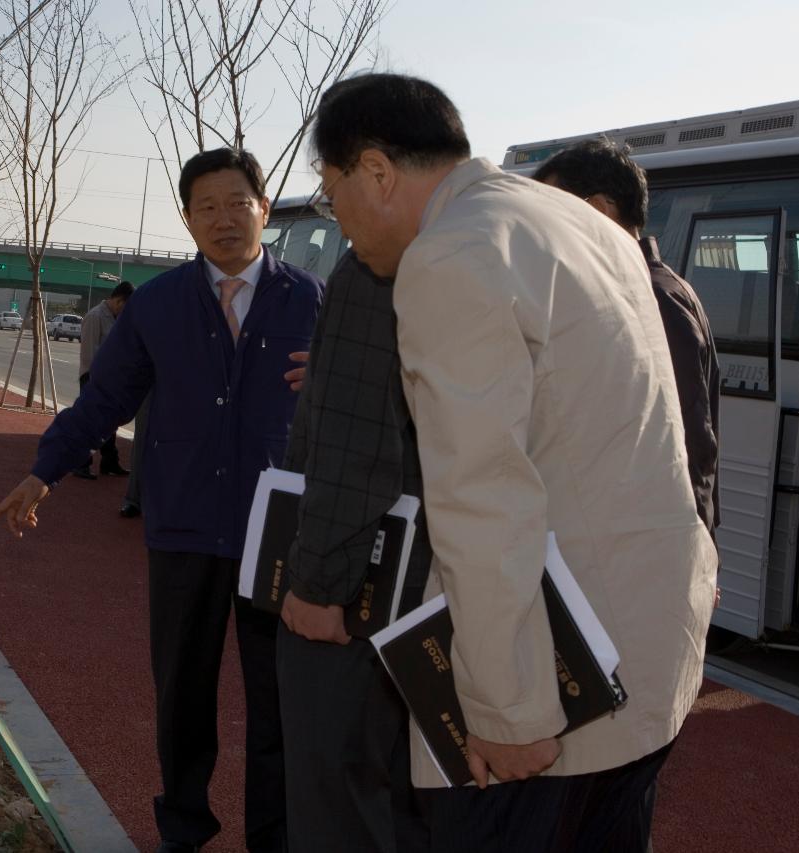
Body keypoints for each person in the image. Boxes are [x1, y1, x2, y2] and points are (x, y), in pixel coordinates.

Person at [310, 73, 718, 853]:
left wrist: (507, 714)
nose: (342, 224)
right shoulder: (575, 222)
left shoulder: (450, 255)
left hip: (556, 697)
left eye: (333, 196)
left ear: (375, 171)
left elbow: (481, 498)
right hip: (650, 641)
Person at [0, 147, 324, 853]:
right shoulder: (161, 305)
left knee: (282, 703)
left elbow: (370, 394)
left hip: (280, 535)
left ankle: (276, 835)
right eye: (206, 207)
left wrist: (333, 375)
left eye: (238, 202)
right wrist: (45, 469)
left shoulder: (313, 302)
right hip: (185, 527)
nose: (224, 219)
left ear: (265, 208)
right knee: (182, 693)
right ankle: (183, 826)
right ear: (186, 219)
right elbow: (105, 398)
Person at [277, 250, 432, 852]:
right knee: (409, 791)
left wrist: (315, 587)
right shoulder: (485, 245)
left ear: (372, 170)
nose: (334, 206)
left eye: (331, 187)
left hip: (362, 592)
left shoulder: (375, 266)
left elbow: (354, 456)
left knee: (338, 797)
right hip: (434, 584)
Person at [534, 140, 720, 538]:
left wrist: (697, 548)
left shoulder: (651, 297)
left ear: (599, 210)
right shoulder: (644, 287)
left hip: (647, 548)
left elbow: (689, 440)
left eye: (552, 213)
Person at [73, 280, 135, 480]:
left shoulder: (118, 318)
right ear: (118, 300)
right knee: (91, 423)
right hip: (94, 378)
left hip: (112, 379)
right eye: (127, 305)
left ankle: (110, 462)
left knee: (110, 423)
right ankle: (81, 463)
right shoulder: (95, 317)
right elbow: (89, 354)